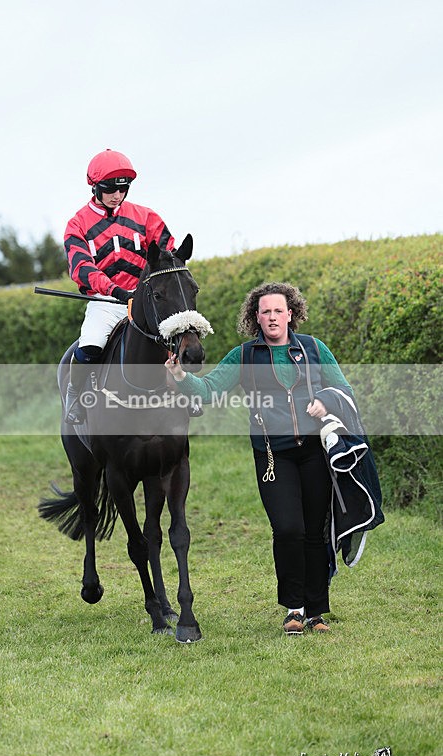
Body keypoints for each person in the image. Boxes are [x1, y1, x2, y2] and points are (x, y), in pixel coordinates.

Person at [166, 281, 359, 635]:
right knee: (288, 529)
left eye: (278, 311)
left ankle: (316, 612)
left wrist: (326, 402)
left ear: (291, 314)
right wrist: (180, 376)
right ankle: (294, 608)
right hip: (273, 456)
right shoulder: (244, 356)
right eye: (265, 311)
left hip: (316, 452)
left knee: (315, 531)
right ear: (256, 317)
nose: (272, 317)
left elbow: (344, 389)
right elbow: (208, 390)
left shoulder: (315, 349)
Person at [63, 148, 174, 424]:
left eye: (123, 189)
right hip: (106, 303)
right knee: (90, 346)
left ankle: (187, 395)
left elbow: (167, 255)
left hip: (145, 302)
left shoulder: (146, 217)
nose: (118, 195)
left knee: (179, 339)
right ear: (95, 187)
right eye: (111, 189)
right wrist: (114, 291)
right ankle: (75, 395)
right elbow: (81, 269)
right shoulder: (77, 225)